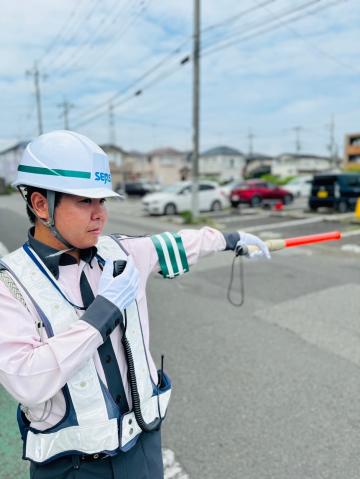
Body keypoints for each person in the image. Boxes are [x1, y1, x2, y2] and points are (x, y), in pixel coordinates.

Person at [0, 130, 270, 479]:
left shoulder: (122, 252)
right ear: (40, 205)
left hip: (142, 450)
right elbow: (26, 380)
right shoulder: (10, 282)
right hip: (70, 468)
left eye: (103, 202)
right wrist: (102, 313)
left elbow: (177, 243)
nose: (100, 215)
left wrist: (231, 239)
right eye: (85, 202)